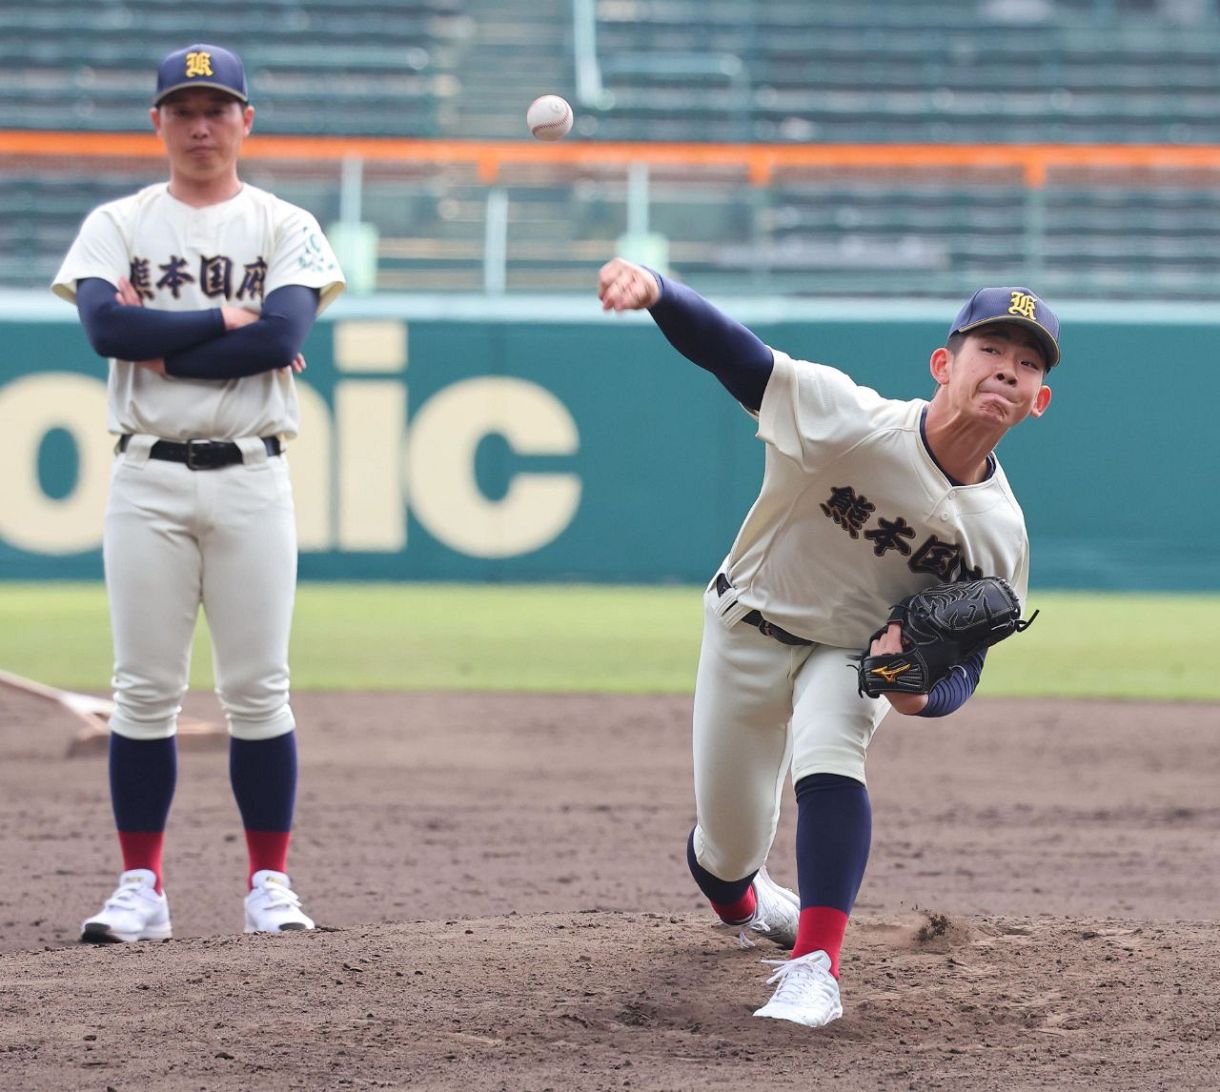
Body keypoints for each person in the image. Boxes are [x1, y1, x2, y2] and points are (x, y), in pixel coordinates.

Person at [597, 258, 1056, 1027]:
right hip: (747, 629)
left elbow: (967, 663)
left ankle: (816, 966)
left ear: (1038, 401)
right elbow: (737, 356)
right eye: (992, 350)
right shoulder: (850, 419)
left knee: (832, 751)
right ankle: (749, 900)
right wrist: (659, 291)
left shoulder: (1001, 533)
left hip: (850, 657)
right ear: (944, 364)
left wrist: (915, 693)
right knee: (724, 855)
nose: (1007, 370)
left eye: (1027, 363)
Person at [51, 43, 344, 942]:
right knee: (143, 692)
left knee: (259, 689)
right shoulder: (120, 220)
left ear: (247, 120)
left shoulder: (283, 223)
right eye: (184, 108)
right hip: (146, 475)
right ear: (159, 123)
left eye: (218, 106)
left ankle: (269, 886)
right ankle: (141, 887)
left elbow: (284, 334)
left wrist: (164, 340)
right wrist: (225, 317)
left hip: (253, 474)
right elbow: (104, 326)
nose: (202, 123)